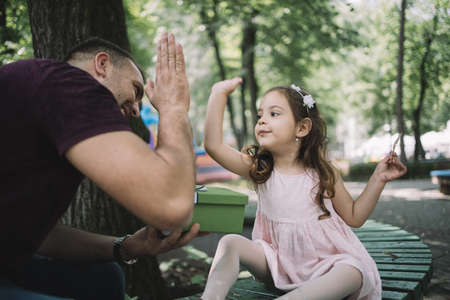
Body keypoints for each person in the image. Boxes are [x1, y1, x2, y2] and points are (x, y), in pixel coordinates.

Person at [0, 33, 200, 300]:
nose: (137, 110)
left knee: (104, 276)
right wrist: (174, 108)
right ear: (102, 65)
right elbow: (172, 206)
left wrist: (128, 246)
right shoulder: (67, 82)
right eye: (136, 90)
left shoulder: (46, 106)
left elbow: (42, 236)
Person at [201, 78, 407, 300]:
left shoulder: (323, 172)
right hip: (277, 266)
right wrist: (218, 94)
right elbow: (213, 145)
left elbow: (355, 217)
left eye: (274, 114)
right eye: (260, 115)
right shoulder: (259, 169)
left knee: (353, 271)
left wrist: (378, 178)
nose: (261, 121)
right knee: (230, 242)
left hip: (325, 268)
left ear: (302, 127)